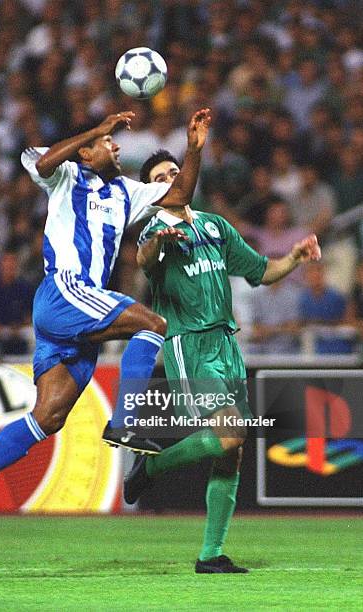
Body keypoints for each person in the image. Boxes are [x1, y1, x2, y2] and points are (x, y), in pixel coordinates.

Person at [0, 108, 212, 530]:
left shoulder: (126, 191)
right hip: (66, 291)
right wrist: (96, 129)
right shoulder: (65, 176)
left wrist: (194, 150)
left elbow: (179, 196)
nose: (116, 145)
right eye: (108, 143)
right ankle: (125, 423)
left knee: (48, 417)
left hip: (78, 311)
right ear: (85, 153)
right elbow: (41, 161)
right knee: (154, 324)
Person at [124, 149, 321, 574]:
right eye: (160, 177)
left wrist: (295, 258)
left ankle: (210, 554)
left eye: (175, 171)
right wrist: (160, 242)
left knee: (231, 452)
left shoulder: (215, 226)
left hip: (226, 344)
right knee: (231, 434)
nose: (172, 178)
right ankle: (152, 464)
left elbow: (260, 271)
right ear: (152, 192)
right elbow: (145, 260)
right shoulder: (153, 229)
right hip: (188, 344)